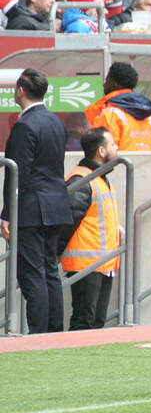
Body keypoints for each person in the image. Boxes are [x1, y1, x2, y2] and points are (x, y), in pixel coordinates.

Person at [1, 70, 74, 334]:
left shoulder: (25, 125)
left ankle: (39, 335)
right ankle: (53, 332)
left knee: (32, 275)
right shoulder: (55, 122)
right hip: (56, 206)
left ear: (20, 91)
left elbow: (18, 172)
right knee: (49, 272)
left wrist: (7, 213)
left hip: (32, 209)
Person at [62, 127, 120, 331]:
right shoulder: (82, 180)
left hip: (103, 263)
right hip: (86, 264)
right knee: (84, 322)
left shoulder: (100, 178)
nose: (117, 147)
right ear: (101, 151)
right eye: (113, 144)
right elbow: (66, 222)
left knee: (96, 322)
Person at [85, 62, 151, 151]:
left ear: (114, 84)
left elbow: (102, 152)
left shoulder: (109, 115)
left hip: (121, 161)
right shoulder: (150, 116)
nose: (104, 84)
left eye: (107, 81)